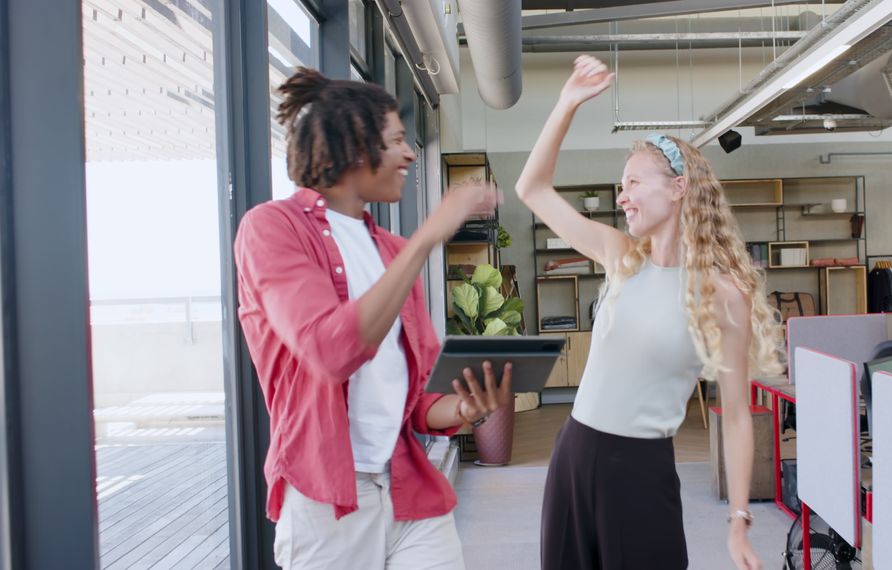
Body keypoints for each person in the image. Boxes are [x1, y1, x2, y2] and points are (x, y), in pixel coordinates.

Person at [233, 67, 513, 569]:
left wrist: (466, 407)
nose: (410, 155)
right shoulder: (271, 228)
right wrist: (428, 238)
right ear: (356, 144)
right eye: (398, 141)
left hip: (408, 488)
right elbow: (329, 351)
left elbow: (418, 398)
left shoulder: (392, 250)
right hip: (327, 502)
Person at [515, 55, 784, 570]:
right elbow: (531, 189)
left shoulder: (723, 294)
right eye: (622, 186)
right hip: (574, 453)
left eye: (634, 183)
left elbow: (735, 414)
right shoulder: (620, 257)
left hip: (640, 468)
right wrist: (568, 102)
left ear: (678, 188)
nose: (623, 198)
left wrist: (739, 518)